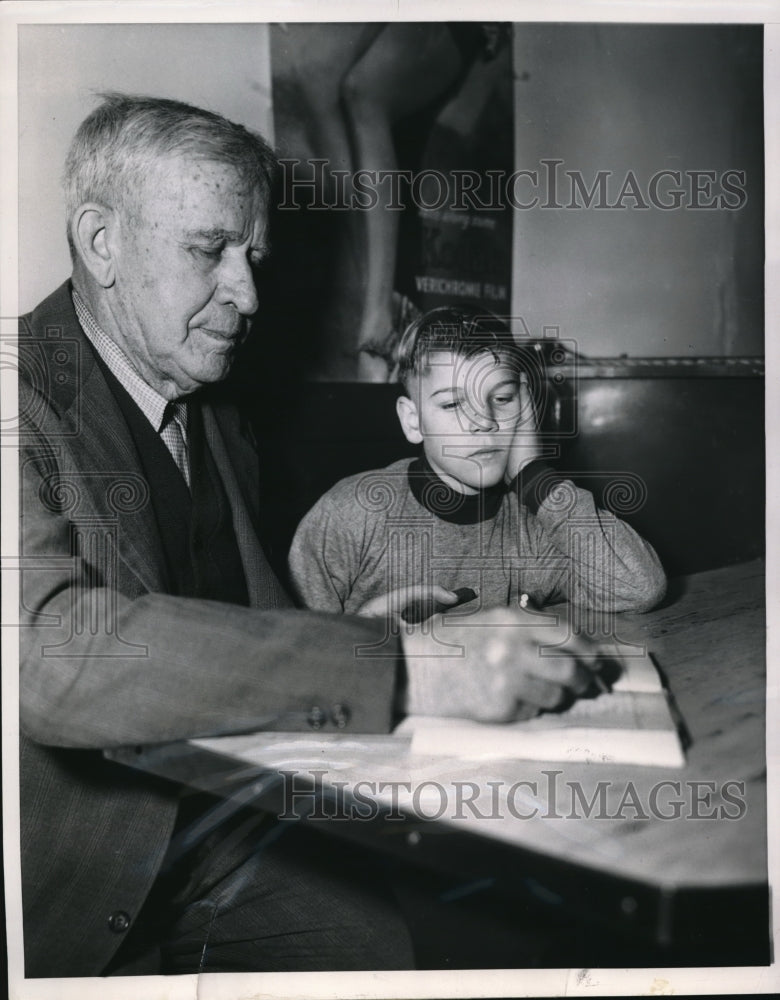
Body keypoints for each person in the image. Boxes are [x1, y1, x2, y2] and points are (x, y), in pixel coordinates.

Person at [18, 94, 610, 979]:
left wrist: (361, 627)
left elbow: (224, 621)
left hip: (226, 828)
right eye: (208, 250)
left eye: (252, 255)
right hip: (73, 888)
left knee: (407, 949)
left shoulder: (208, 402)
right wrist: (402, 668)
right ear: (101, 242)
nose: (247, 293)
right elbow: (46, 656)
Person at [289, 306, 667, 620]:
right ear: (412, 420)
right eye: (453, 404)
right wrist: (361, 632)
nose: (482, 420)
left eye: (501, 398)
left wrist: (534, 476)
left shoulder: (536, 526)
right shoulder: (349, 514)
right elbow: (288, 655)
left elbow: (639, 587)